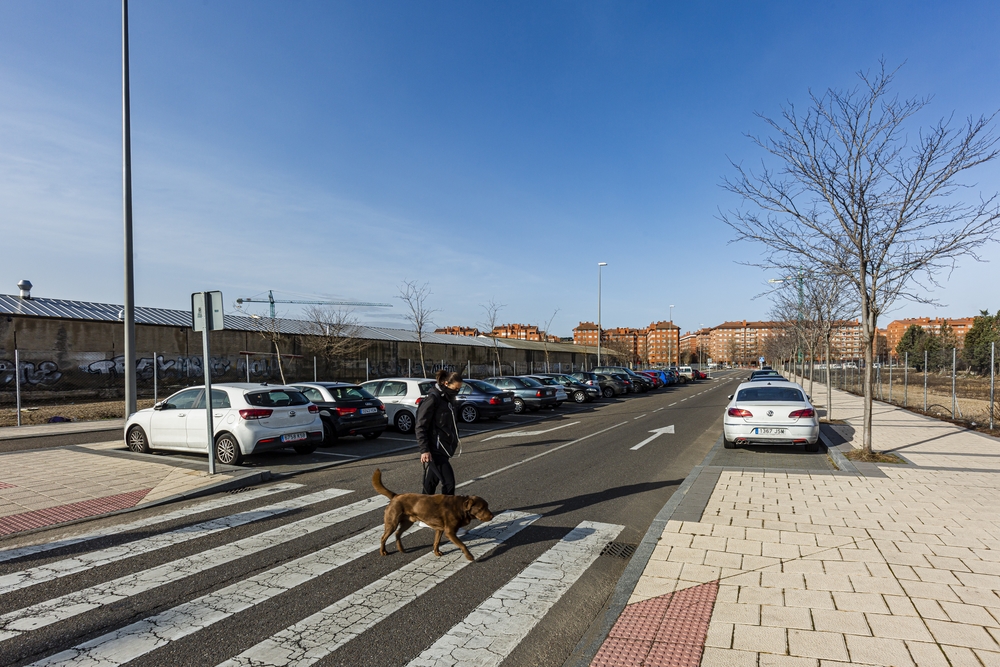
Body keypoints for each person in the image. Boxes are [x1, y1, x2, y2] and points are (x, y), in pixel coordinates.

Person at [415, 369, 463, 495]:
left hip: (445, 447)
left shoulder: (448, 399)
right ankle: (446, 512)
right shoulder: (433, 398)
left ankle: (423, 510)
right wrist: (424, 450)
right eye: (455, 388)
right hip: (434, 449)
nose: (457, 391)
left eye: (459, 389)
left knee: (430, 482)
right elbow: (421, 425)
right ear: (446, 384)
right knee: (449, 483)